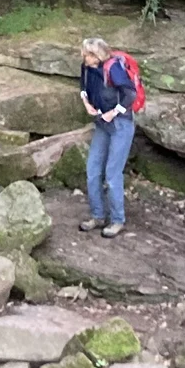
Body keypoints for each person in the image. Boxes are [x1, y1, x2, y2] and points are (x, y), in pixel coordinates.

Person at [79, 36, 138, 238]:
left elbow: (131, 93)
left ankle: (117, 220)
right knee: (92, 169)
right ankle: (97, 215)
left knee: (112, 174)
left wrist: (114, 112)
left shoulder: (113, 69)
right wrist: (87, 104)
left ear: (96, 55)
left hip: (121, 124)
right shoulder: (87, 67)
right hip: (102, 124)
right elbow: (83, 86)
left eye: (87, 55)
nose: (84, 58)